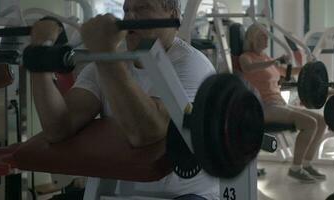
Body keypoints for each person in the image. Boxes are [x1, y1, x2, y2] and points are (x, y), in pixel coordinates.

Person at [29, 0, 219, 199]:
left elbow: (145, 133)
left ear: (172, 15)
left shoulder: (192, 65)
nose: (130, 17)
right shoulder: (104, 65)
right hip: (118, 193)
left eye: (142, 8)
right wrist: (38, 53)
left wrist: (105, 52)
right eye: (126, 10)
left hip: (184, 195)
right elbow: (59, 127)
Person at [239, 23, 327, 183]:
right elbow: (249, 69)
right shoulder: (246, 57)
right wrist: (274, 61)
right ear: (252, 39)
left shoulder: (265, 57)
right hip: (264, 107)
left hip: (279, 104)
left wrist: (309, 67)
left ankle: (306, 164)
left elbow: (287, 72)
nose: (266, 39)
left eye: (267, 36)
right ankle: (295, 168)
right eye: (262, 36)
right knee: (310, 123)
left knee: (321, 121)